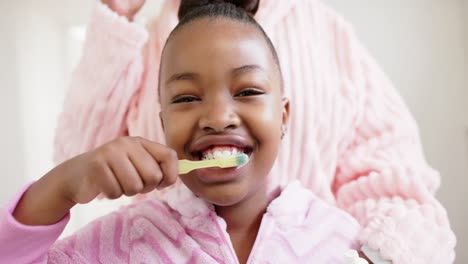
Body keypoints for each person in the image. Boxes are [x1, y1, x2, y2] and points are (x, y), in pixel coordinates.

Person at [2, 0, 456, 263]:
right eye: (185, 97)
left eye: (248, 90)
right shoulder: (129, 240)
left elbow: (393, 174)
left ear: (285, 113)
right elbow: (79, 156)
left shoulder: (333, 239)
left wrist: (385, 254)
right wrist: (61, 185)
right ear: (161, 119)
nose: (219, 116)